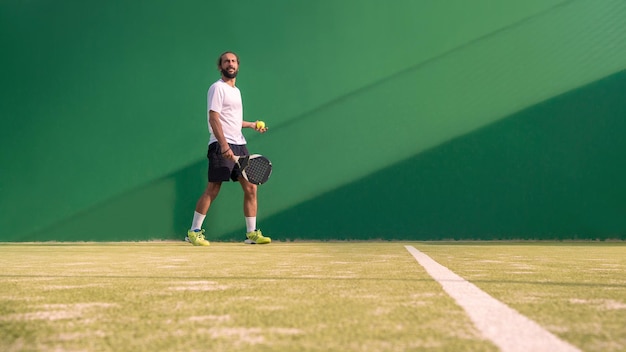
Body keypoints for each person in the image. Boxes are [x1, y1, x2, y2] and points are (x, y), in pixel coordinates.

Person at [187, 51, 271, 246]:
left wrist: (251, 124)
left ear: (238, 66)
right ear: (220, 66)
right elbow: (214, 118)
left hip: (240, 144)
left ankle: (251, 233)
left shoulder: (236, 91)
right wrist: (223, 145)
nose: (230, 64)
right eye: (226, 61)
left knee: (251, 187)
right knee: (213, 188)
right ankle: (194, 231)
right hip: (221, 143)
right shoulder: (217, 88)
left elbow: (232, 120)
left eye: (233, 61)